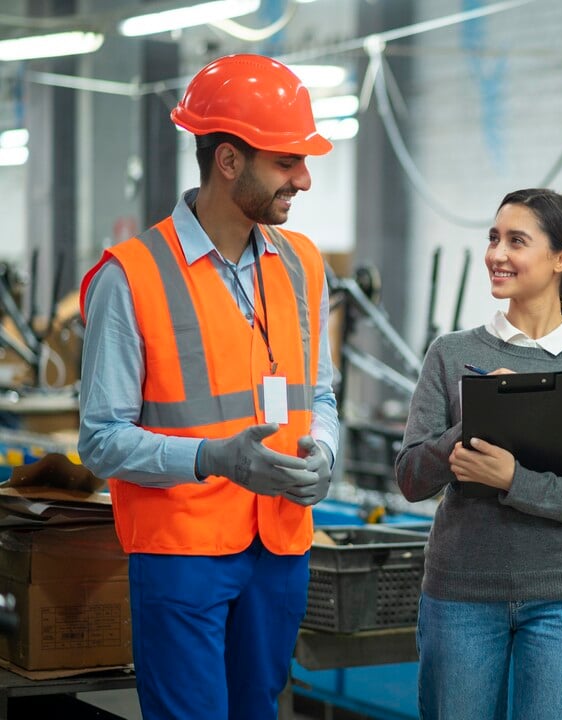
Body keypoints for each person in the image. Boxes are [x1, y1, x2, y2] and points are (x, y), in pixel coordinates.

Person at [78, 54, 338, 720]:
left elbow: (322, 397)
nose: (304, 179)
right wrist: (210, 458)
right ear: (228, 161)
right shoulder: (131, 276)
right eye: (286, 162)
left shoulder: (303, 264)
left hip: (279, 548)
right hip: (182, 552)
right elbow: (101, 440)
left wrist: (326, 455)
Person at [395, 188, 562, 720]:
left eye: (516, 241)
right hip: (461, 593)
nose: (496, 254)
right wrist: (475, 423)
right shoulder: (452, 353)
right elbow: (412, 478)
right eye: (493, 238)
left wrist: (514, 480)